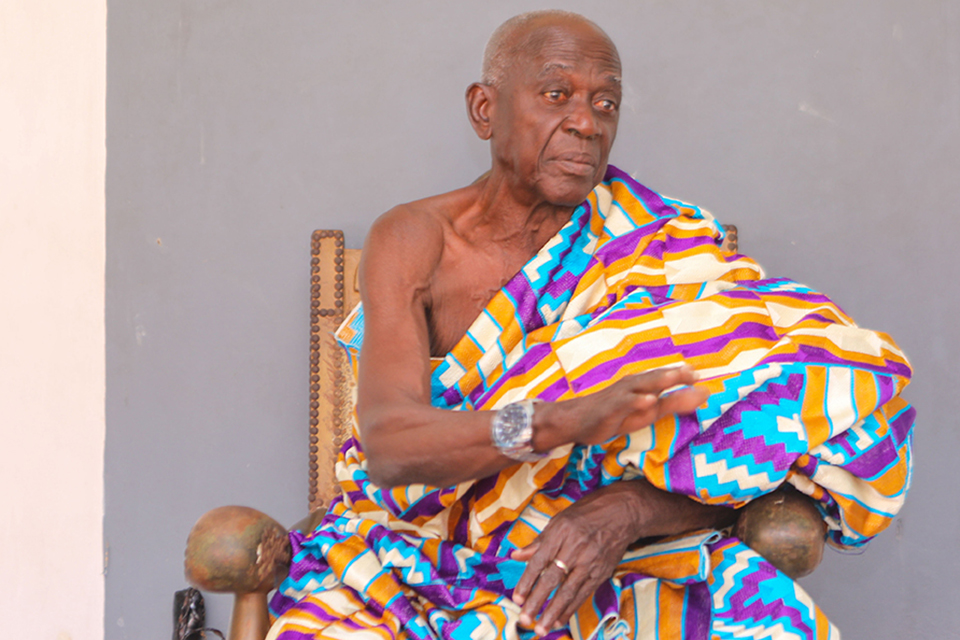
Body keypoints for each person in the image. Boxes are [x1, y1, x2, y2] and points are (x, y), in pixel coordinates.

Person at [267, 10, 914, 640]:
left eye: (606, 104)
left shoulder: (660, 248)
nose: (586, 123)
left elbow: (756, 450)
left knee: (758, 617)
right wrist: (566, 421)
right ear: (484, 109)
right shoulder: (417, 237)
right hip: (411, 553)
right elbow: (391, 447)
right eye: (557, 95)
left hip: (605, 558)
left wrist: (630, 509)